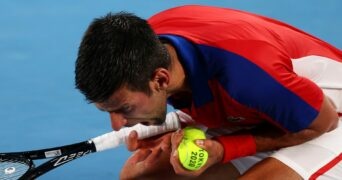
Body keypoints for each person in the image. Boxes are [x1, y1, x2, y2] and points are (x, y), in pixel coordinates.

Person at [75, 5, 342, 179]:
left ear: (160, 79)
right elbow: (221, 97)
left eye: (124, 108)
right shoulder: (149, 47)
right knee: (142, 176)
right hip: (272, 107)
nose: (117, 124)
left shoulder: (246, 74)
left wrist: (223, 149)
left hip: (329, 119)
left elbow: (323, 123)